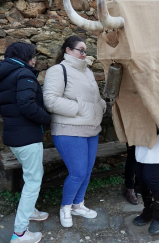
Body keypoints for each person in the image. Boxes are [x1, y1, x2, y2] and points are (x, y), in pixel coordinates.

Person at [42, 36, 106, 228]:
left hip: (91, 129)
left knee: (86, 172)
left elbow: (96, 98)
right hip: (68, 130)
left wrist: (100, 106)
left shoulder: (87, 72)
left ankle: (78, 205)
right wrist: (82, 108)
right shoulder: (58, 70)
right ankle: (66, 207)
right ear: (68, 51)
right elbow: (51, 101)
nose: (84, 54)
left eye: (86, 50)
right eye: (81, 49)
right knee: (77, 172)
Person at [0, 42, 51, 243]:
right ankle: (20, 233)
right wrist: (47, 118)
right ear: (25, 56)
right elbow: (27, 105)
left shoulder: (6, 76)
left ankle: (31, 209)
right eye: (32, 56)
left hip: (15, 137)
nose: (34, 60)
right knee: (34, 180)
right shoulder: (24, 74)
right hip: (27, 137)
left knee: (29, 175)